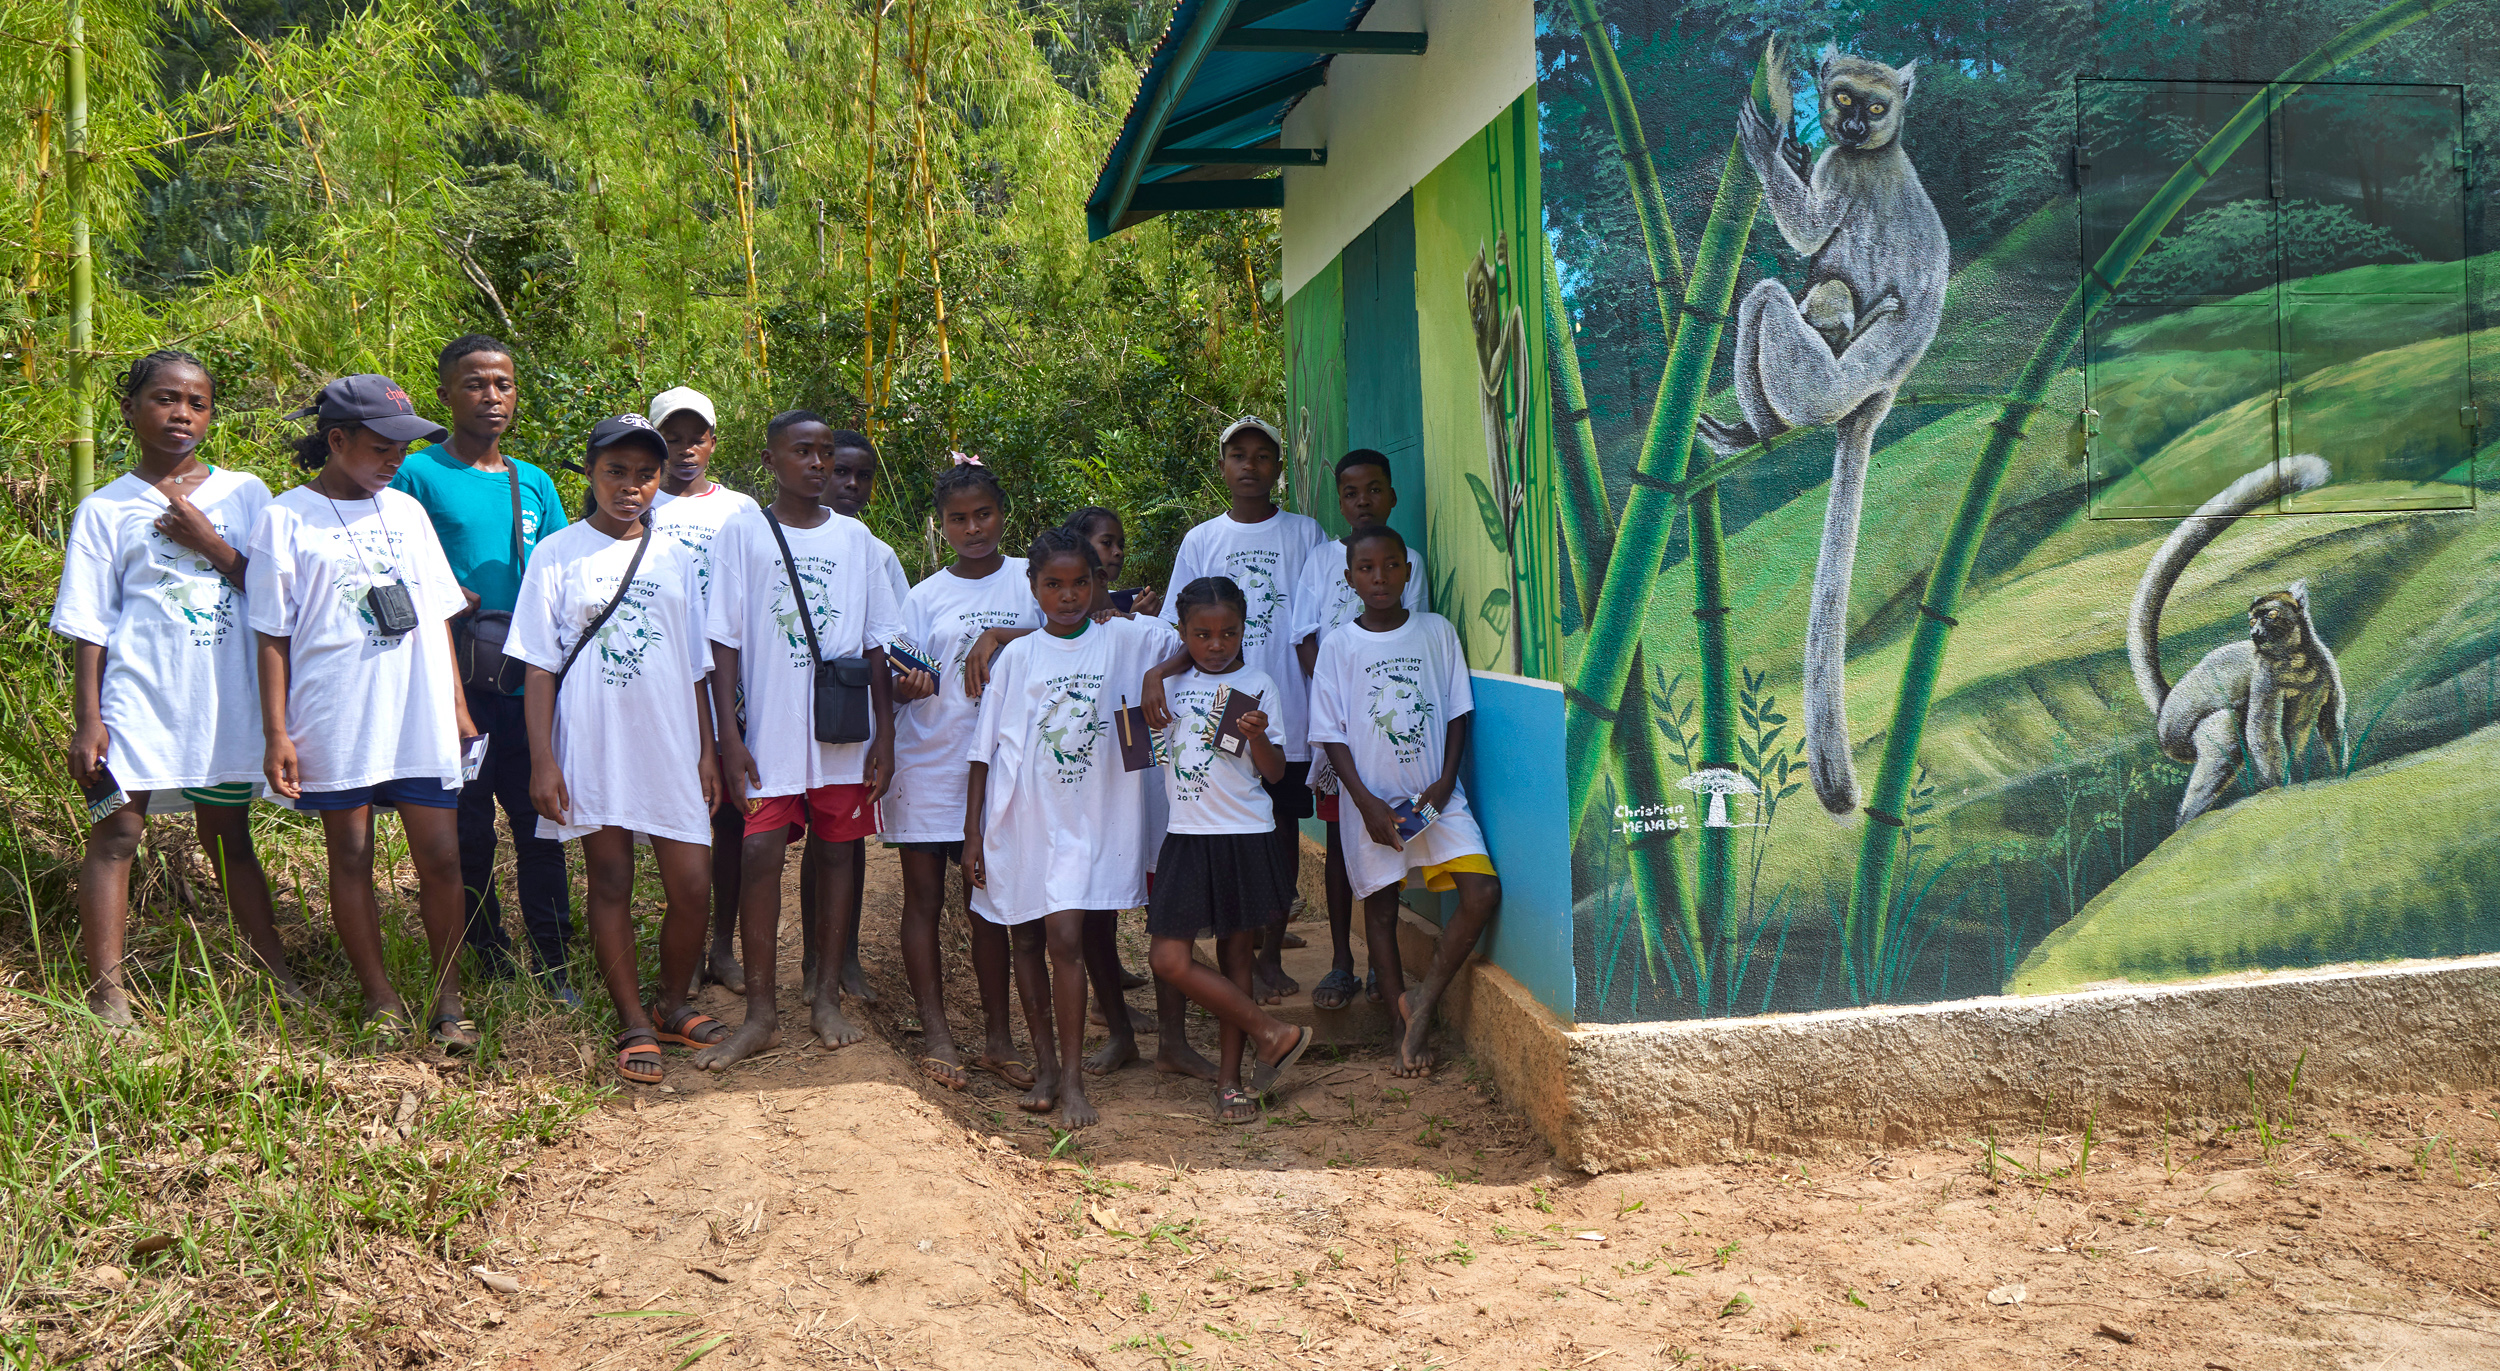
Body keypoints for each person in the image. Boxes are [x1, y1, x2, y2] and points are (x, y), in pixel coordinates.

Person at [51, 350, 294, 1025]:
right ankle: (108, 994)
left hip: (224, 699)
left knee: (229, 835)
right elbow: (89, 622)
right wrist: (88, 720)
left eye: (197, 402)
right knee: (117, 833)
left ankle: (274, 972)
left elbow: (276, 595)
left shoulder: (245, 493)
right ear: (129, 409)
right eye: (164, 398)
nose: (181, 413)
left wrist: (209, 540)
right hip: (139, 699)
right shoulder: (105, 509)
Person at [248, 375, 483, 1051]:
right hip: (336, 711)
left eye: (401, 451)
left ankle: (448, 1001)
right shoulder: (286, 516)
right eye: (380, 448)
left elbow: (438, 612)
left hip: (417, 709)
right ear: (337, 439)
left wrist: (459, 708)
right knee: (349, 854)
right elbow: (272, 632)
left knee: (441, 857)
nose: (393, 461)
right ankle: (380, 998)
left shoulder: (404, 512)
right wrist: (276, 732)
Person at [511, 414, 726, 1084]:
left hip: (667, 740)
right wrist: (543, 759)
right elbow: (539, 667)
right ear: (590, 473)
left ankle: (673, 1002)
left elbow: (695, 665)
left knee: (692, 886)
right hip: (593, 741)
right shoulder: (556, 553)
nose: (630, 486)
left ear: (660, 480)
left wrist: (708, 750)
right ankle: (634, 1018)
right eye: (616, 471)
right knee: (609, 880)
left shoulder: (675, 558)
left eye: (644, 474)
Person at [699, 411, 902, 1069]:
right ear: (770, 460)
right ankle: (761, 1012)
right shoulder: (742, 533)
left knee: (837, 855)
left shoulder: (858, 539)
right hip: (772, 733)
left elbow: (878, 646)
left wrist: (886, 737)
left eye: (824, 453)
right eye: (802, 452)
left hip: (842, 734)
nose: (817, 465)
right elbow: (723, 641)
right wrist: (730, 737)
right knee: (759, 852)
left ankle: (823, 996)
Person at [963, 528, 1171, 1129]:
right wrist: (974, 835)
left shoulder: (1123, 640)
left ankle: (1076, 1080)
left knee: (1066, 939)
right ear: (1032, 588)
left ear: (1098, 584)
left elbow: (1191, 639)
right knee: (1025, 939)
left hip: (1089, 821)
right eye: (1053, 584)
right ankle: (1048, 1065)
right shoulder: (1018, 658)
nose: (1068, 595)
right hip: (1024, 819)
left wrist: (1156, 678)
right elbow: (983, 753)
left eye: (1081, 582)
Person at [388, 333, 575, 997]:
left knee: (541, 827)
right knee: (468, 834)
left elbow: (560, 573)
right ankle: (489, 960)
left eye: (503, 384)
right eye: (474, 383)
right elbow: (388, 567)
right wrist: (442, 591)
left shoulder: (536, 482)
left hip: (529, 687)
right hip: (452, 685)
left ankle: (556, 963)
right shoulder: (416, 475)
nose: (491, 397)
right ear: (444, 395)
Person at [1308, 526, 1500, 1078]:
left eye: (1391, 566)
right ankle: (1400, 1027)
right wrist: (1366, 804)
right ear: (1349, 580)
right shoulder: (1340, 646)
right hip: (1372, 805)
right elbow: (1332, 734)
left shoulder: (1436, 632)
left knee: (1482, 891)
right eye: (1366, 569)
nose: (1380, 577)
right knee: (1384, 909)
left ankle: (1424, 1002)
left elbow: (1459, 710)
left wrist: (1444, 783)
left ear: (1407, 572)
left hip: (1435, 797)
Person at [1153, 417, 1324, 1004]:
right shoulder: (1202, 539)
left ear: (1279, 467)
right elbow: (1179, 627)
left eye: (1262, 455)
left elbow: (1316, 621)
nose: (1250, 466)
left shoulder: (1306, 534)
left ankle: (1271, 954)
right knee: (1237, 832)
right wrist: (1160, 674)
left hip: (1287, 715)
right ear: (1223, 465)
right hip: (1216, 711)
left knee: (1279, 837)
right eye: (1238, 455)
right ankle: (1239, 953)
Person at [879, 457, 1035, 1091]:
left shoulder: (1032, 579)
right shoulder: (924, 597)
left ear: (1004, 514)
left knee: (990, 904)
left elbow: (1081, 623)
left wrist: (999, 633)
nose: (974, 528)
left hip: (1005, 769)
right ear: (941, 527)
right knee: (923, 899)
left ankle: (999, 1038)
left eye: (984, 514)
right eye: (958, 520)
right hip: (931, 764)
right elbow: (895, 677)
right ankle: (937, 1032)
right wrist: (907, 685)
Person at [1145, 576, 1316, 1122]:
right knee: (1167, 958)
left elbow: (1272, 775)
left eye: (1228, 633)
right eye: (1202, 634)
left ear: (1243, 631)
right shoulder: (1165, 688)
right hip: (1187, 836)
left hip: (1245, 835)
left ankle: (1229, 1082)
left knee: (1235, 958)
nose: (1216, 644)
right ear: (1183, 633)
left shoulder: (1258, 683)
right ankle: (1272, 1032)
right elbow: (1142, 752)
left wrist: (1260, 735)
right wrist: (1158, 673)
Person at [1292, 449, 1428, 1012]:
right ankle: (1342, 963)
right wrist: (1336, 705)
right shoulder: (1322, 561)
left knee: (1387, 840)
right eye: (1351, 493)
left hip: (1385, 732)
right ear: (1340, 503)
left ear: (1392, 496)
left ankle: (1381, 968)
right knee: (1340, 850)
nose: (1364, 501)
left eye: (1375, 490)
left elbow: (1406, 638)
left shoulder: (1408, 559)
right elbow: (1305, 637)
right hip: (1339, 734)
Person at [646, 385, 760, 996]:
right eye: (673, 437)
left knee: (732, 817)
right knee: (685, 809)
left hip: (731, 677)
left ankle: (721, 945)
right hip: (665, 679)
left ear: (714, 442)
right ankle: (685, 947)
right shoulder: (640, 505)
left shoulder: (741, 510)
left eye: (697, 437)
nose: (685, 449)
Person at [798, 430, 911, 1006]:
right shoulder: (779, 535)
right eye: (840, 471)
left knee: (845, 840)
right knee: (802, 840)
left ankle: (844, 956)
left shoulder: (874, 551)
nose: (849, 484)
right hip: (789, 713)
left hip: (849, 716)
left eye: (862, 476)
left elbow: (895, 639)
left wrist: (917, 678)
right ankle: (812, 958)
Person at [1064, 506, 1163, 617]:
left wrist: (1137, 618)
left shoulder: (1157, 629)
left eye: (1121, 545)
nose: (1119, 552)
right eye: (1107, 543)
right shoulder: (1050, 615)